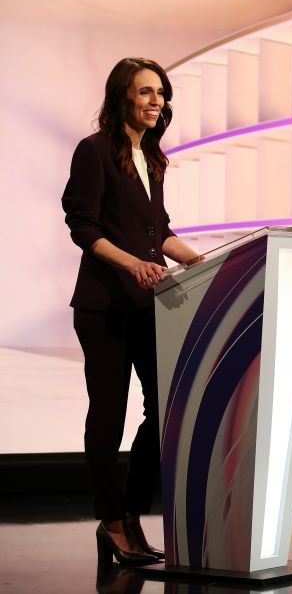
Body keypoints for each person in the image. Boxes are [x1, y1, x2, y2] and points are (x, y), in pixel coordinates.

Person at [62, 58, 200, 565]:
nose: (155, 102)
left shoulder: (153, 158)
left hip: (147, 304)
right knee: (108, 414)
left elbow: (157, 230)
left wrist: (202, 259)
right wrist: (134, 265)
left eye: (161, 94)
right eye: (146, 93)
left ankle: (130, 511)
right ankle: (112, 519)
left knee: (164, 409)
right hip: (104, 307)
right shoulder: (94, 151)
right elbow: (84, 226)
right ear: (123, 96)